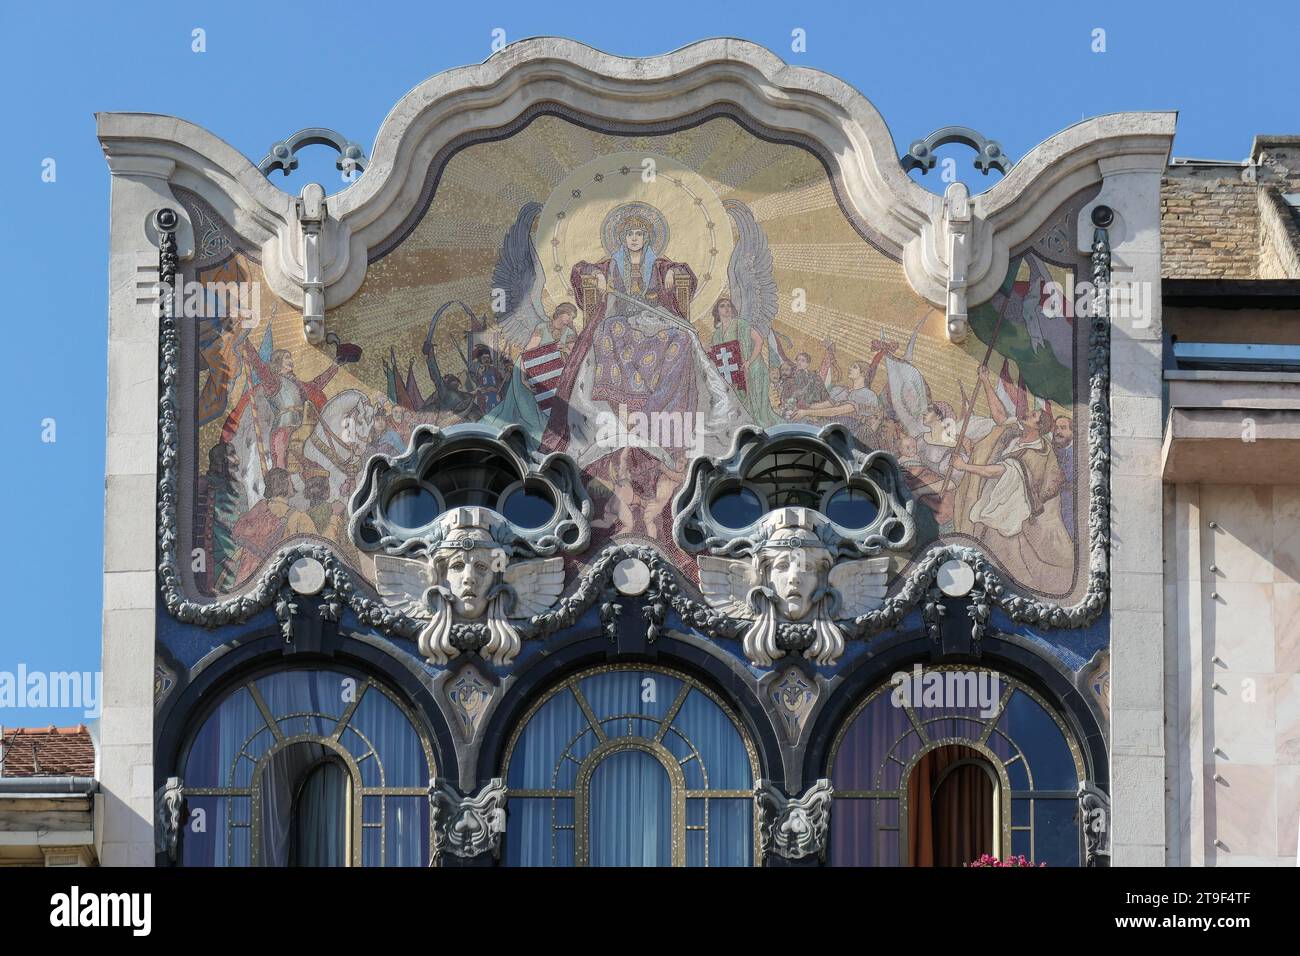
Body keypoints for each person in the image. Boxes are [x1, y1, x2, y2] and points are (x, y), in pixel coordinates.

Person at [950, 366, 1073, 593]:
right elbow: (999, 415)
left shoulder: (1037, 454)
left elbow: (999, 471)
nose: (1027, 414)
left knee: (1005, 562)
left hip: (1006, 514)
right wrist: (986, 380)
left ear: (1038, 428)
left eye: (1033, 415)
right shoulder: (1017, 432)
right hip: (990, 500)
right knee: (980, 547)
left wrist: (964, 466)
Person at [712, 295, 779, 425]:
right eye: (722, 306)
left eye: (728, 305)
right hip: (734, 374)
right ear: (717, 311)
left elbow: (759, 341)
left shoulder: (741, 324)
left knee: (758, 411)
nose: (726, 308)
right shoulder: (717, 334)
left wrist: (749, 362)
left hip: (753, 369)